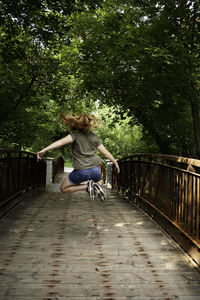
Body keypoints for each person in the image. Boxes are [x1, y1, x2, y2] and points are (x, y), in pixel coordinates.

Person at [37, 113, 120, 201]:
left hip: (81, 171)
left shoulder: (75, 135)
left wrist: (44, 150)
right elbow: (106, 153)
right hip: (95, 170)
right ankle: (93, 185)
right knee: (100, 182)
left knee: (63, 189)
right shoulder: (94, 137)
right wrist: (115, 162)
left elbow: (60, 142)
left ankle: (87, 186)